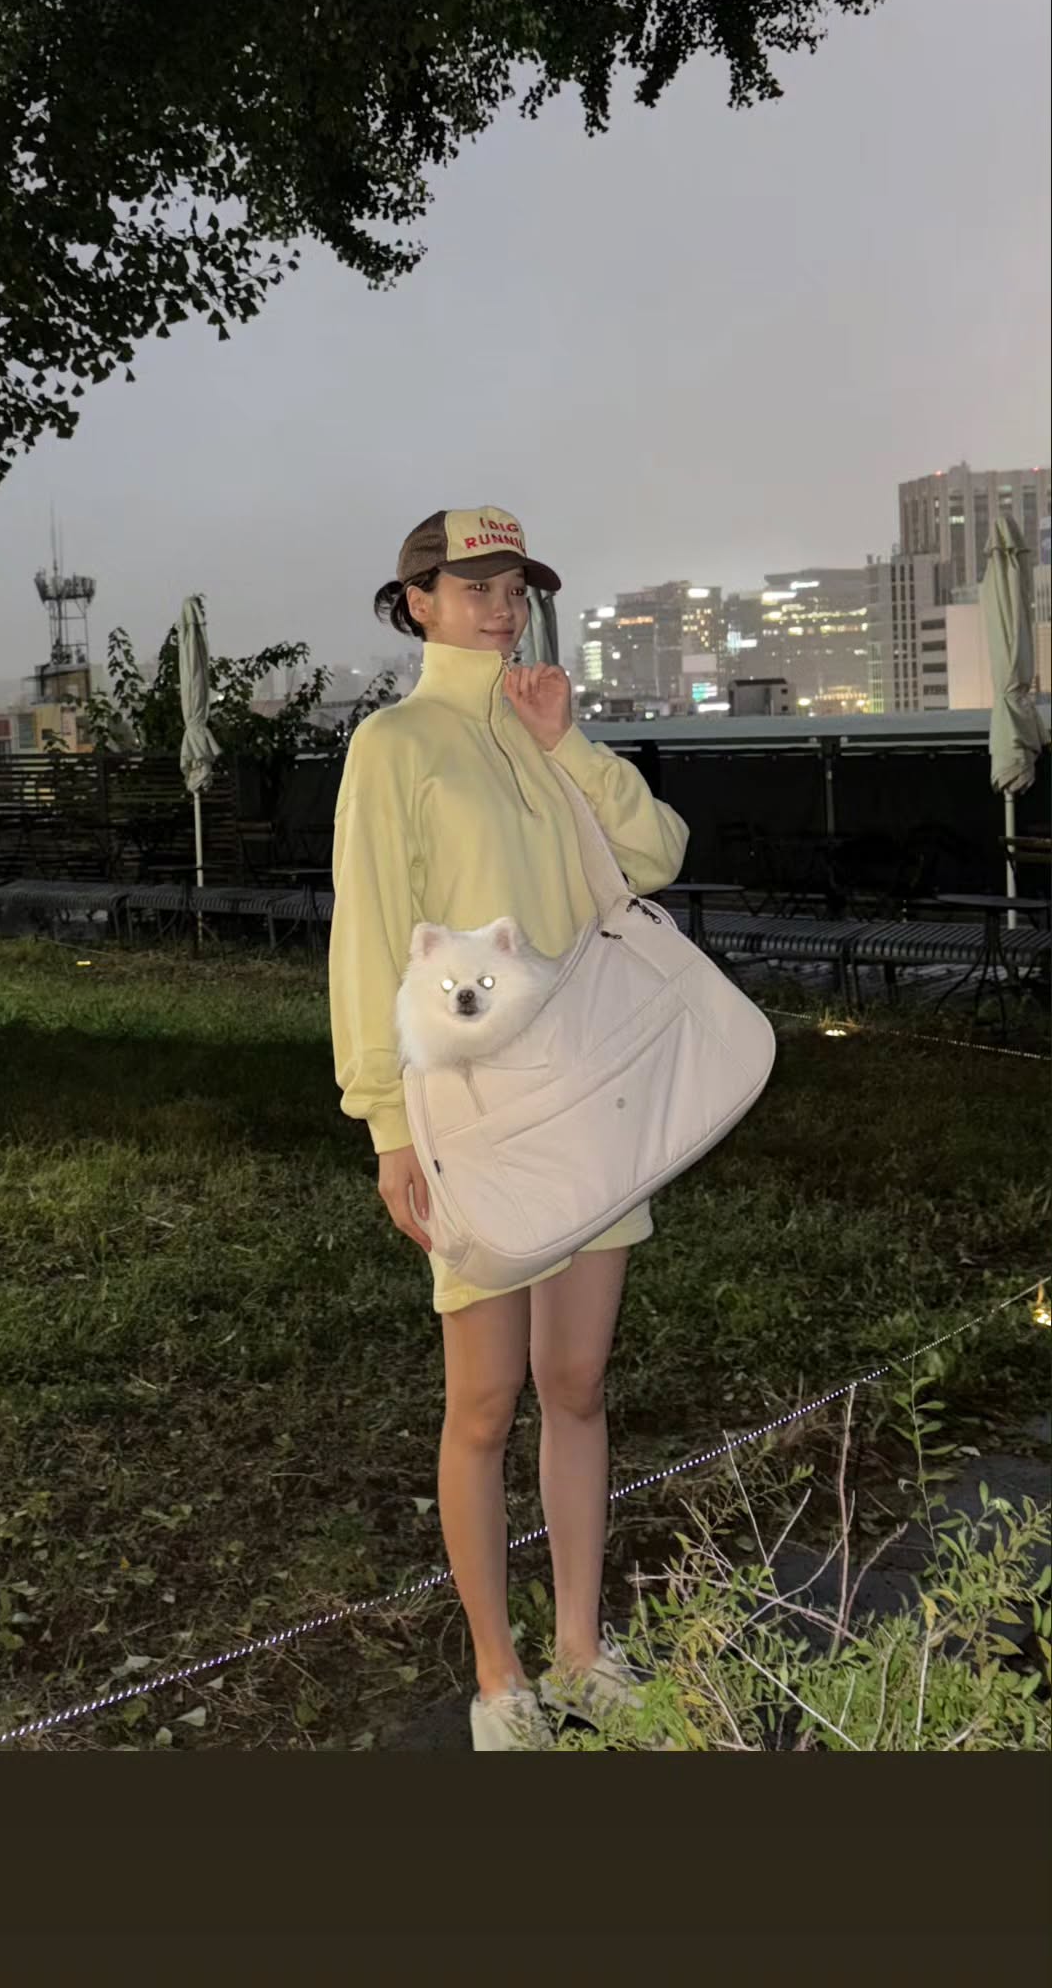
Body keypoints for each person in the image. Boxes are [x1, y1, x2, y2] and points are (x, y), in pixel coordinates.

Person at [328, 506, 689, 1751]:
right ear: (417, 601)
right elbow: (368, 937)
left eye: (514, 586)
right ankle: (499, 1673)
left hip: (590, 1096)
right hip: (474, 1109)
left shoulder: (543, 724)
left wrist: (568, 740)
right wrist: (386, 1121)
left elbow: (657, 855)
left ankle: (584, 1649)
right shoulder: (395, 743)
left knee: (576, 1382)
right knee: (482, 1401)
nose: (499, 606)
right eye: (472, 584)